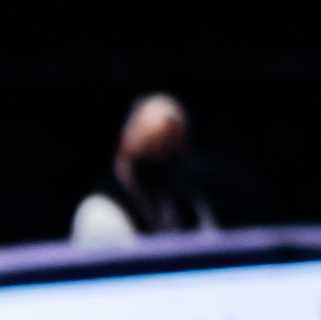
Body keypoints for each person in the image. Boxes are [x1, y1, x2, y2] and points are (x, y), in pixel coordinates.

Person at [71, 93, 218, 247]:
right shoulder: (99, 213)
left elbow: (211, 252)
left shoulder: (187, 206)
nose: (159, 159)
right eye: (150, 148)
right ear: (125, 143)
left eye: (168, 149)